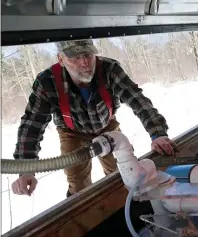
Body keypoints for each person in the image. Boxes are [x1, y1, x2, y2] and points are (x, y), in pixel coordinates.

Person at [11, 40, 177, 197]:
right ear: (60, 59)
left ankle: (123, 210)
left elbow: (137, 100)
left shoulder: (109, 69)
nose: (84, 63)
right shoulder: (47, 82)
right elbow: (32, 124)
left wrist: (158, 133)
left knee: (123, 175)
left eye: (88, 55)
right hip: (72, 132)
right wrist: (26, 167)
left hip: (108, 127)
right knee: (78, 186)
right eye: (75, 57)